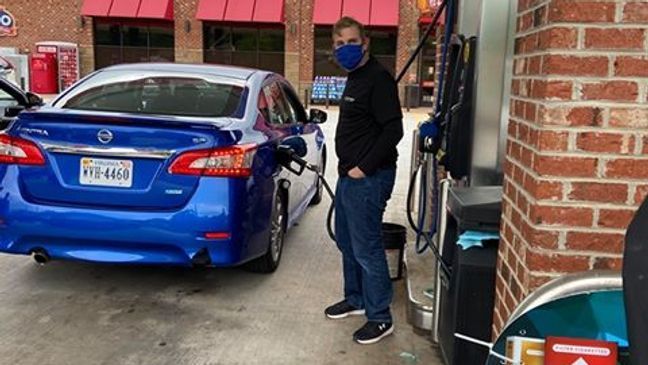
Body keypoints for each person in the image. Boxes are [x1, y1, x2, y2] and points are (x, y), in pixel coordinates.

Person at [323, 16, 404, 345]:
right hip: (349, 176)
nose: (345, 49)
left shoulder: (378, 78)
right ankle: (356, 299)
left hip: (368, 177)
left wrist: (364, 167)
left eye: (351, 42)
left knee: (367, 247)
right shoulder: (355, 77)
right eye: (339, 44)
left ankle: (380, 316)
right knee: (346, 241)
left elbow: (393, 129)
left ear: (365, 42)